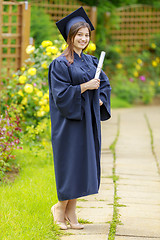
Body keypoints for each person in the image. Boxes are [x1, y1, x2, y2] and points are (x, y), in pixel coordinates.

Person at [48, 7, 111, 230]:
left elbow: (104, 85)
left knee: (82, 164)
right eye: (79, 34)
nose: (83, 38)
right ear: (70, 37)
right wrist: (84, 87)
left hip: (87, 120)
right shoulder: (60, 63)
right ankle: (59, 208)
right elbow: (61, 94)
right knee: (70, 163)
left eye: (86, 35)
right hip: (68, 122)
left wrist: (101, 99)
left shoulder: (91, 61)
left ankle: (71, 211)